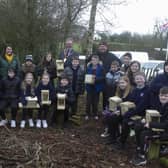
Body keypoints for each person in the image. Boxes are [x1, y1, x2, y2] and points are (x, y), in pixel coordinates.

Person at [131, 86, 168, 166]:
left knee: (144, 134)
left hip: (165, 133)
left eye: (166, 96)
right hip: (157, 127)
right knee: (138, 126)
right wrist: (145, 119)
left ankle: (142, 157)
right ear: (159, 96)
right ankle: (139, 147)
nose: (163, 97)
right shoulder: (159, 104)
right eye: (162, 95)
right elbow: (152, 114)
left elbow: (166, 125)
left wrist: (150, 124)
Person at [115, 72, 149, 149]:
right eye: (137, 79)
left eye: (141, 78)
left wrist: (128, 113)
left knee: (134, 124)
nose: (139, 80)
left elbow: (141, 107)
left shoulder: (147, 90)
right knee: (124, 120)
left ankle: (139, 146)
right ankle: (122, 142)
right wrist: (122, 111)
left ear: (144, 79)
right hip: (134, 113)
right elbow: (130, 103)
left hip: (143, 115)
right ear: (134, 80)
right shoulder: (135, 90)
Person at [101, 76, 132, 143]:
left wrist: (119, 111)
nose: (121, 84)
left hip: (127, 113)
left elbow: (129, 105)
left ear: (127, 83)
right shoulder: (119, 91)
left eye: (123, 83)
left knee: (116, 119)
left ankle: (120, 139)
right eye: (120, 83)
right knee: (109, 117)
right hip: (118, 111)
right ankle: (113, 137)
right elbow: (116, 102)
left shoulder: (130, 93)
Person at [95, 42, 121, 110]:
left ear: (107, 47)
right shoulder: (95, 55)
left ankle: (106, 110)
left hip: (108, 79)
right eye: (100, 46)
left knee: (106, 96)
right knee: (95, 97)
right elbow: (88, 61)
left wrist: (114, 70)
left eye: (104, 46)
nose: (102, 48)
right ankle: (95, 111)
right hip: (97, 78)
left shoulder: (111, 55)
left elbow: (119, 62)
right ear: (98, 47)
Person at [85, 55, 105, 120]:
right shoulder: (88, 67)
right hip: (89, 87)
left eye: (96, 60)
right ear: (91, 61)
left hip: (97, 87)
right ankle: (87, 113)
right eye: (93, 60)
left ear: (98, 61)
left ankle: (95, 113)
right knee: (88, 101)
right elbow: (85, 75)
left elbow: (103, 77)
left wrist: (96, 79)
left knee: (95, 102)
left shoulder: (101, 68)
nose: (94, 61)